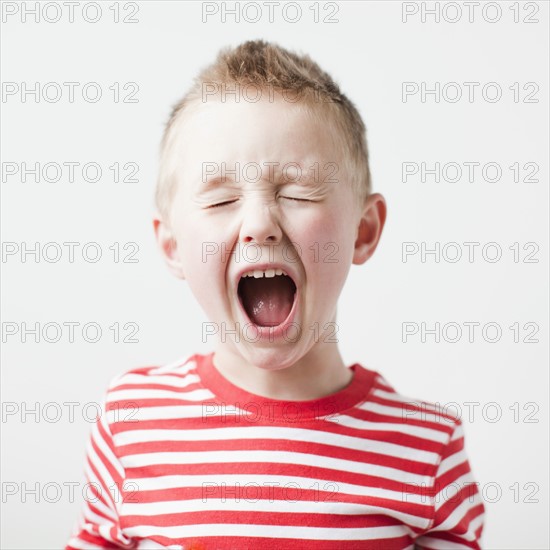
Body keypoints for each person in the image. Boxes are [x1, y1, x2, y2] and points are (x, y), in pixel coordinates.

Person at [67, 40, 485, 549]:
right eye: (221, 198)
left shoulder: (425, 448)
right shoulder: (131, 418)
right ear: (173, 246)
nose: (260, 224)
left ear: (363, 231)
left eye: (298, 193)